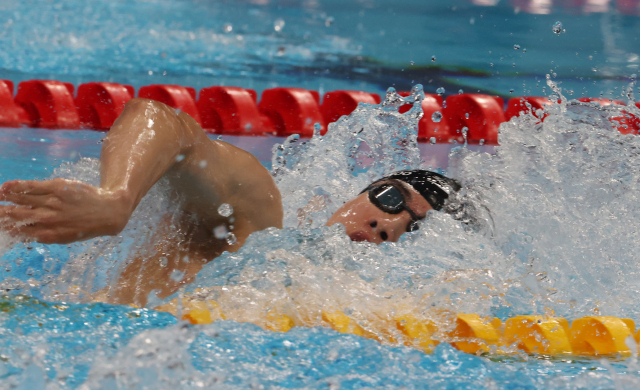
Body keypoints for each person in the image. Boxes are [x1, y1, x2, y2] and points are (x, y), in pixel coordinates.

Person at [0, 98, 460, 307]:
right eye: (390, 198)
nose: (388, 225)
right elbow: (159, 118)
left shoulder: (369, 305)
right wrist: (114, 199)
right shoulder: (260, 216)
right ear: (364, 188)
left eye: (412, 228)